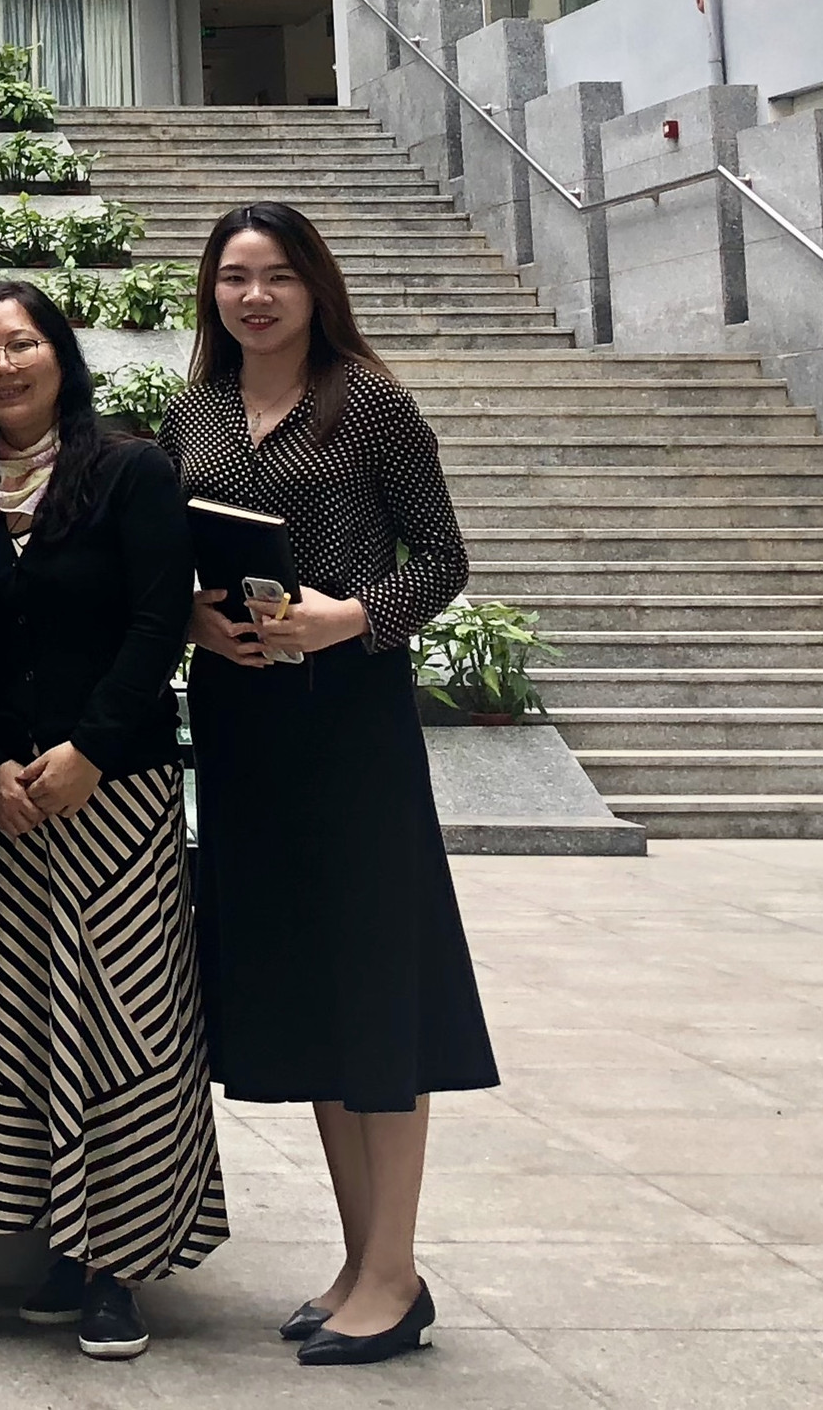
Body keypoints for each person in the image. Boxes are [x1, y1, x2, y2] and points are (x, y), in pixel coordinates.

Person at [161, 201, 496, 1370]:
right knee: (311, 986)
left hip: (349, 721)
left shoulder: (370, 403)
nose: (253, 296)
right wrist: (193, 616)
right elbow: (175, 553)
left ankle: (394, 1272)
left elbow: (442, 559)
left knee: (373, 981)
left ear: (315, 285)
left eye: (276, 276)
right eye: (233, 276)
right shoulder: (198, 407)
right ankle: (361, 1261)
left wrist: (350, 617)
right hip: (242, 721)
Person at [0, 279, 225, 1362]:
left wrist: (90, 748)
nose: (2, 364)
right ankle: (61, 1241)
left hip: (118, 790)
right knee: (27, 1020)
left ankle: (119, 1265)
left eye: (22, 343)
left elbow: (159, 620)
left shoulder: (129, 470)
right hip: (8, 800)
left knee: (126, 1024)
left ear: (60, 354)